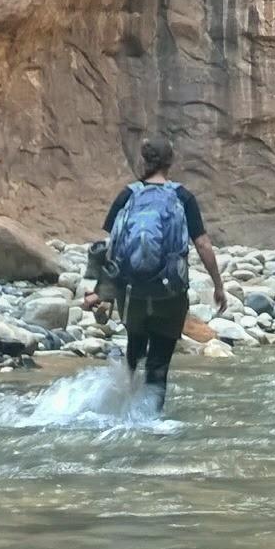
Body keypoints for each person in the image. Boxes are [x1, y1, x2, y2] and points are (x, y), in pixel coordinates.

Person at [88, 138, 229, 415]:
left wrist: (101, 293)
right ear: (170, 162)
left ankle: (121, 407)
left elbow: (109, 246)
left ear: (144, 161)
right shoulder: (183, 197)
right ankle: (150, 424)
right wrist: (218, 285)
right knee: (159, 364)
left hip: (132, 293)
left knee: (135, 346)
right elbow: (202, 244)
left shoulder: (127, 195)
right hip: (169, 294)